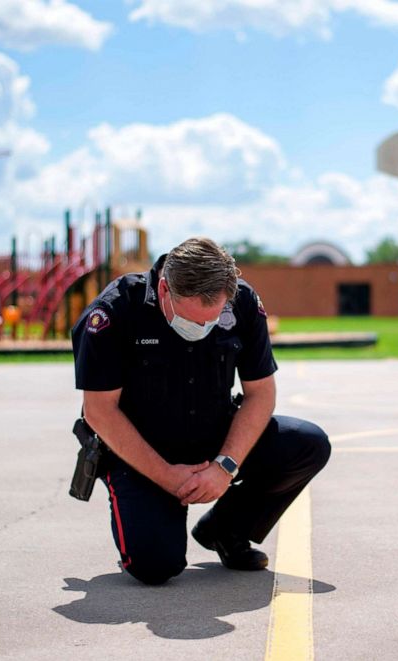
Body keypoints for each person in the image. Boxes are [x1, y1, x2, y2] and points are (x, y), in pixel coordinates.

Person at [71, 236, 330, 585]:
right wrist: (167, 477)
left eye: (210, 321)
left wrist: (225, 466)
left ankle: (226, 530)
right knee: (155, 566)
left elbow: (261, 394)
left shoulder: (243, 302)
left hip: (214, 439)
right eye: (192, 321)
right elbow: (100, 411)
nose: (200, 330)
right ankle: (153, 518)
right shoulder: (116, 311)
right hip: (141, 454)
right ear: (164, 289)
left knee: (307, 443)